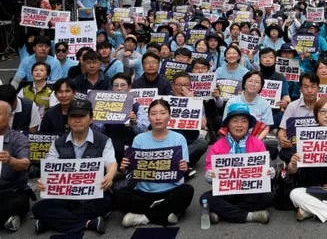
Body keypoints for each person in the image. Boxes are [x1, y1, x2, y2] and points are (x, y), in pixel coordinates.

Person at [32, 99, 118, 235]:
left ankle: (51, 222)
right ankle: (88, 223)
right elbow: (49, 168)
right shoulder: (58, 143)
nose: (77, 120)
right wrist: (44, 181)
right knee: (38, 208)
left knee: (105, 203)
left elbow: (111, 163)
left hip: (93, 196)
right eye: (73, 116)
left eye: (82, 116)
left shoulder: (104, 140)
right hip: (64, 196)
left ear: (91, 119)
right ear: (68, 120)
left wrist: (110, 175)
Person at [114, 99, 194, 227]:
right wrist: (125, 168)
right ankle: (165, 213)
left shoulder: (179, 138)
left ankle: (145, 217)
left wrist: (184, 168)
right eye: (153, 113)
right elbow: (131, 174)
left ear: (169, 116)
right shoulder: (139, 139)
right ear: (148, 117)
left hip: (170, 190)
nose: (158, 117)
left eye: (162, 113)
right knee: (120, 194)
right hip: (144, 193)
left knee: (187, 191)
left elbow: (183, 170)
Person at [199, 103, 272, 224]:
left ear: (249, 124)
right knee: (205, 199)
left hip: (250, 191)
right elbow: (209, 169)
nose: (239, 125)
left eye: (244, 121)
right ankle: (248, 216)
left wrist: (269, 173)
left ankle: (222, 214)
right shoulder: (217, 146)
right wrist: (209, 175)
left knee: (268, 196)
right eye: (235, 121)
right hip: (226, 192)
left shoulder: (257, 144)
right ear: (228, 124)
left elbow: (264, 169)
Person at [0, 100, 32, 232]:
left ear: (9, 117)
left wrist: (10, 160)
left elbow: (25, 164)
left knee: (15, 204)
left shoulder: (19, 139)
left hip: (11, 191)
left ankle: (11, 216)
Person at [170, 73, 209, 176]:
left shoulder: (196, 101)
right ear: (173, 85)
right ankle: (182, 166)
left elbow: (203, 125)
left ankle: (173, 164)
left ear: (190, 86)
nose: (182, 88)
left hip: (189, 142)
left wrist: (191, 102)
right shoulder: (165, 100)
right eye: (179, 85)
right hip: (169, 143)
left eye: (186, 85)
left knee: (202, 143)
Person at [277, 73, 320, 163]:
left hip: (319, 146)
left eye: (313, 87)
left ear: (318, 88)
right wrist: (282, 139)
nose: (309, 90)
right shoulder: (292, 106)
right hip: (298, 146)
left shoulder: (325, 105)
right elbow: (283, 130)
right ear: (300, 89)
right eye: (306, 87)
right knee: (284, 153)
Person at [223, 71, 273, 140]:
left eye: (257, 82)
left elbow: (266, 128)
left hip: (256, 139)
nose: (253, 84)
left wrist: (255, 142)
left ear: (261, 86)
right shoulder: (232, 101)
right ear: (244, 84)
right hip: (233, 138)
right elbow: (226, 125)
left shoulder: (265, 104)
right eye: (250, 81)